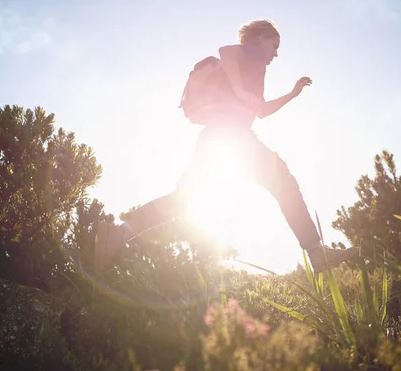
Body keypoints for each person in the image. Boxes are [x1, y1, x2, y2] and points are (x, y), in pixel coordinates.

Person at [96, 19, 357, 273]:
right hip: (233, 138)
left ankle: (118, 235)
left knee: (186, 199)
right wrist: (240, 89)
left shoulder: (252, 68)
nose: (276, 54)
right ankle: (316, 252)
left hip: (216, 140)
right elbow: (226, 52)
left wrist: (292, 93)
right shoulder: (251, 54)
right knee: (283, 180)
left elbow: (262, 111)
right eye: (275, 46)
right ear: (260, 40)